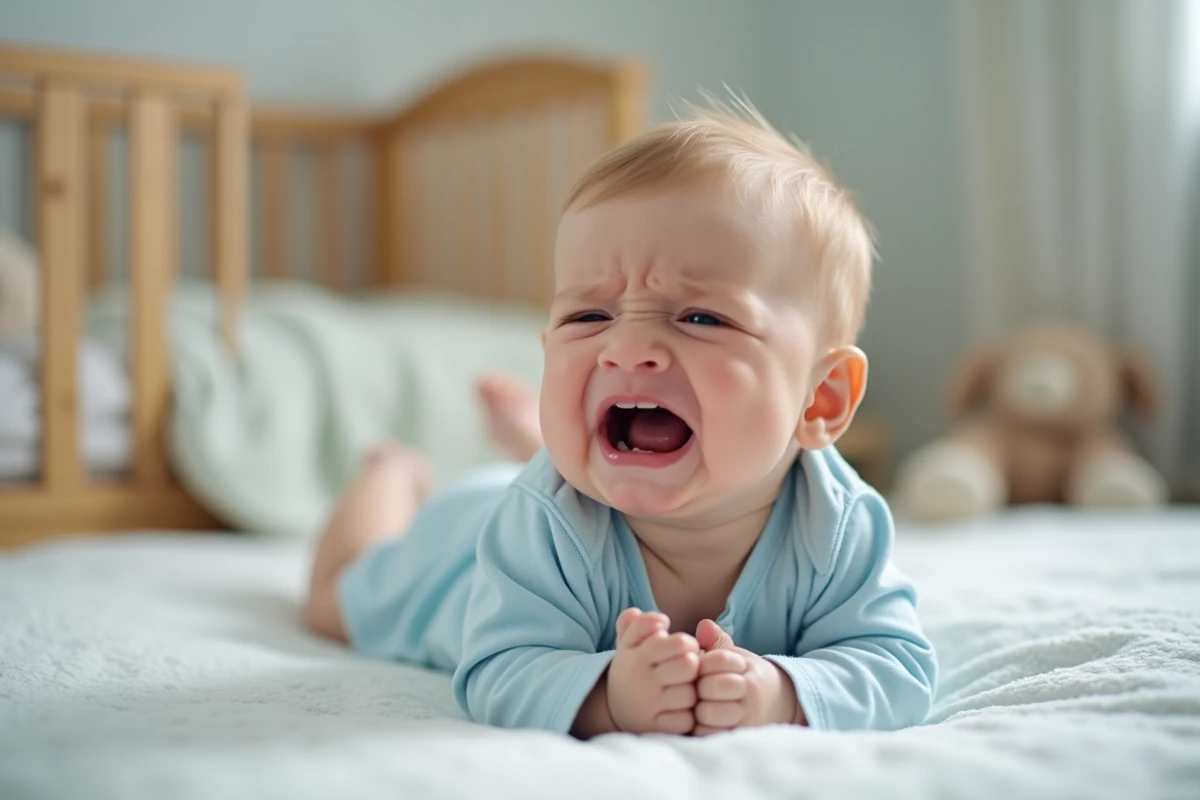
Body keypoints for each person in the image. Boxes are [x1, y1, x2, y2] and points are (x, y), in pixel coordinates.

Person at [304, 96, 937, 738]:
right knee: (332, 602)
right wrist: (609, 697)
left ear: (821, 398)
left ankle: (531, 440)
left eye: (701, 317)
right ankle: (392, 471)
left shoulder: (837, 523)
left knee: (563, 460)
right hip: (463, 549)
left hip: (554, 486)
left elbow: (897, 669)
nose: (627, 348)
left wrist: (782, 694)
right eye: (589, 316)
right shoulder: (543, 525)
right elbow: (500, 668)